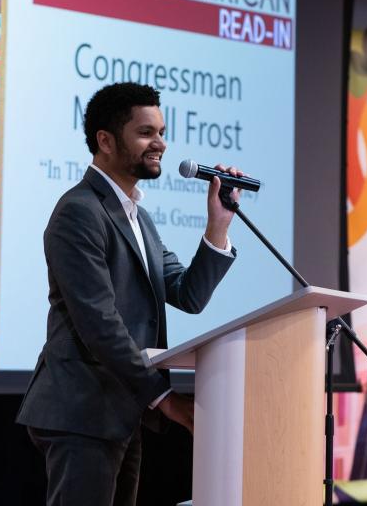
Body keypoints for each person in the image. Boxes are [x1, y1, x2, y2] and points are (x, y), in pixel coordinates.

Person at [16, 82, 241, 506]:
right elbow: (99, 323)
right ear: (105, 140)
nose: (161, 143)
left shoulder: (140, 218)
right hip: (82, 411)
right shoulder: (79, 212)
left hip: (120, 409)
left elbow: (188, 294)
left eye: (161, 131)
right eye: (146, 132)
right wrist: (164, 398)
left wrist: (218, 226)